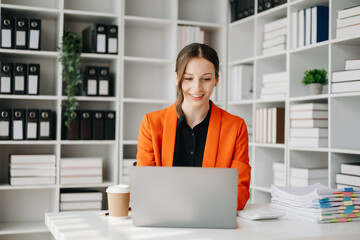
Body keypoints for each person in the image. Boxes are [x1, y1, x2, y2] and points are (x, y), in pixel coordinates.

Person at [136, 43, 251, 210]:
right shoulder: (151, 124)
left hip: (213, 219)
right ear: (177, 78)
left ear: (217, 79)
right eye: (188, 78)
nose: (197, 88)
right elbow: (145, 187)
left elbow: (240, 191)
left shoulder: (236, 127)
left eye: (206, 79)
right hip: (164, 217)